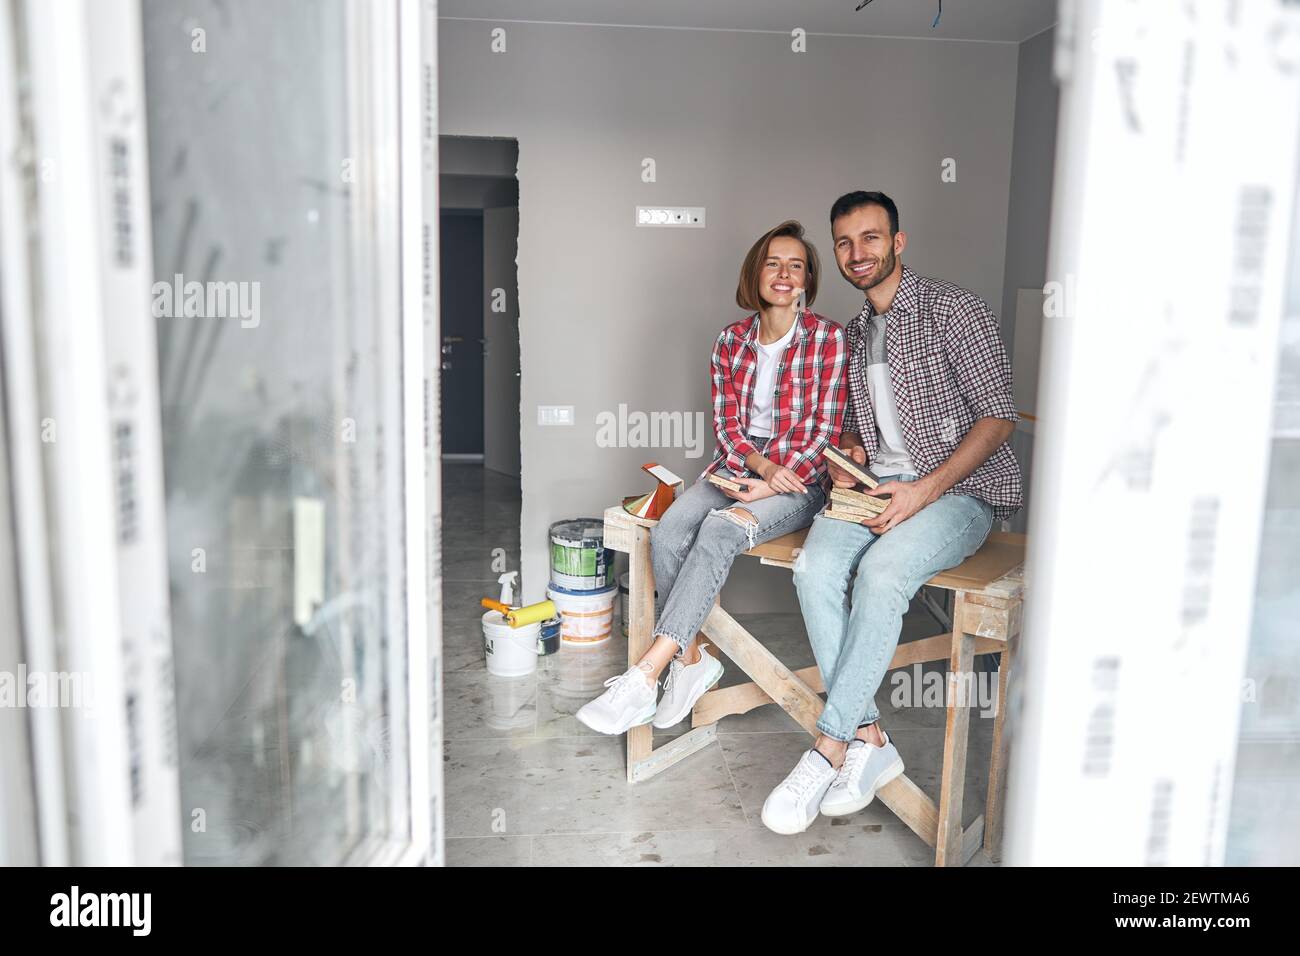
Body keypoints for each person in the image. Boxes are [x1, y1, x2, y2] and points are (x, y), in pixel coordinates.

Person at [760, 191, 1023, 835]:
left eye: (871, 239)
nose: (858, 254)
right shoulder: (853, 333)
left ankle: (829, 746)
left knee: (881, 576)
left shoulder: (955, 309)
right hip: (878, 487)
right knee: (814, 570)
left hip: (959, 494)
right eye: (845, 243)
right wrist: (851, 451)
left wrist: (924, 490)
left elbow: (999, 417)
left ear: (897, 242)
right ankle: (871, 737)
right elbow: (859, 426)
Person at [577, 220, 848, 735]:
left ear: (808, 279)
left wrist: (772, 482)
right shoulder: (730, 341)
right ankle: (694, 658)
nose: (785, 274)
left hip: (801, 481)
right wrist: (757, 468)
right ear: (756, 273)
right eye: (774, 263)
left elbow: (825, 431)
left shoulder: (828, 339)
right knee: (672, 529)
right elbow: (727, 424)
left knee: (721, 530)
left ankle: (646, 674)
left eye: (797, 265)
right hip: (739, 466)